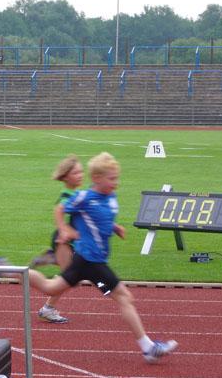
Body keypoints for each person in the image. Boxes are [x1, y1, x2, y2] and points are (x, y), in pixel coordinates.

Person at [25, 152, 177, 363]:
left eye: (117, 178)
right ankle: (148, 348)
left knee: (51, 288)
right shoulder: (85, 197)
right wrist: (63, 230)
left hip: (87, 260)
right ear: (97, 178)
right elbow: (60, 209)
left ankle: (11, 271)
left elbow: (99, 218)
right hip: (90, 260)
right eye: (111, 178)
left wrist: (114, 227)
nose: (116, 182)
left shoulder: (110, 197)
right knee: (124, 297)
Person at [30, 155, 84, 324]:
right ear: (66, 177)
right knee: (69, 279)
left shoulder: (77, 193)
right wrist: (64, 230)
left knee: (71, 278)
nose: (81, 175)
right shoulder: (67, 196)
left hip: (68, 241)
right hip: (63, 240)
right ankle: (48, 309)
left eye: (81, 171)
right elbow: (60, 209)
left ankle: (51, 258)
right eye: (76, 173)